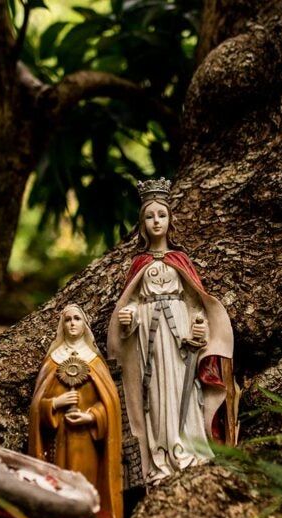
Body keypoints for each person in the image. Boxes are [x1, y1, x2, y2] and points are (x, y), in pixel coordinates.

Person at [107, 178, 237, 486]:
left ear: (170, 220)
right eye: (150, 216)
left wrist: (199, 325)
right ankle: (161, 455)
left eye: (161, 215)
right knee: (155, 393)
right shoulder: (138, 264)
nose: (156, 221)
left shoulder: (181, 261)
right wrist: (129, 317)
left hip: (180, 338)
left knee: (184, 389)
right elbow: (132, 302)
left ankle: (190, 449)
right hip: (149, 339)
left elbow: (196, 303)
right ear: (142, 224)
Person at [29, 304, 124, 518]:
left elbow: (110, 404)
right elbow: (36, 407)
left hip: (86, 442)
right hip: (58, 441)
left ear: (85, 325)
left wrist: (91, 417)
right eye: (68, 319)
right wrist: (56, 403)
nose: (72, 323)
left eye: (77, 319)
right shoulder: (53, 361)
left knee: (85, 486)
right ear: (62, 325)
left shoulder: (94, 362)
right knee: (60, 487)